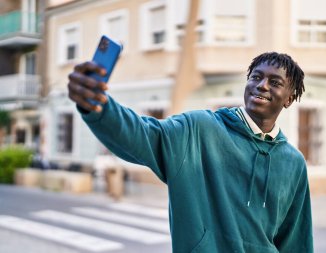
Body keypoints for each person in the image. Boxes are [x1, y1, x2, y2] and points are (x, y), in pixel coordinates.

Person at [68, 52, 313, 253]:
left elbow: (296, 239)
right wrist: (98, 105)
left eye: (275, 82)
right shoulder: (199, 129)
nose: (262, 85)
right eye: (256, 77)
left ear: (289, 98)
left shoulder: (293, 162)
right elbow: (143, 134)